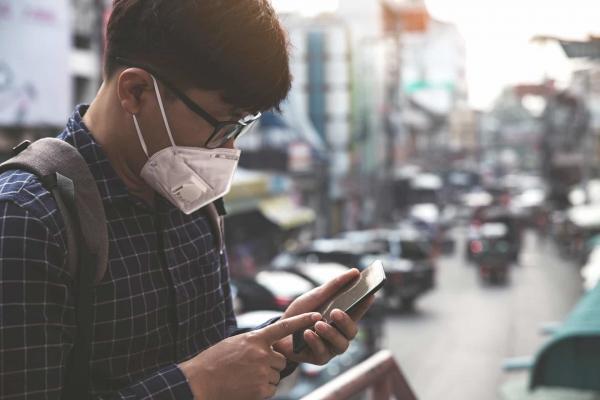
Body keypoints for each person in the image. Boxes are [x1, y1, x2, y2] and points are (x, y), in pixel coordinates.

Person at [0, 0, 374, 399]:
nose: (228, 148)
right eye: (221, 125)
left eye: (241, 127)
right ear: (136, 91)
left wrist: (279, 341)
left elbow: (211, 351)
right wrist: (194, 385)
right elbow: (203, 375)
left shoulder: (191, 196)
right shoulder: (29, 217)